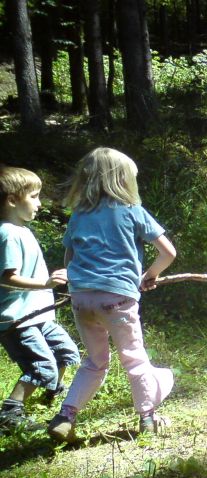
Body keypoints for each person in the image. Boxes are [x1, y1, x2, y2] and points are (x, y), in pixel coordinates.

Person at [47, 148, 177, 443]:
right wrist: (150, 275)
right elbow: (168, 252)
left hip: (81, 299)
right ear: (124, 180)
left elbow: (69, 261)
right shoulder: (132, 211)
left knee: (94, 362)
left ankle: (65, 416)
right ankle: (147, 417)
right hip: (117, 298)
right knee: (134, 358)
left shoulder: (79, 215)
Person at [0, 167, 80, 431]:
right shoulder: (8, 234)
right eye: (34, 196)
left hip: (39, 314)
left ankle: (51, 390)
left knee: (67, 353)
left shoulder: (21, 229)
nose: (39, 202)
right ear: (12, 200)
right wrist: (45, 284)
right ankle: (10, 414)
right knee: (41, 366)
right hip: (18, 318)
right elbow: (7, 277)